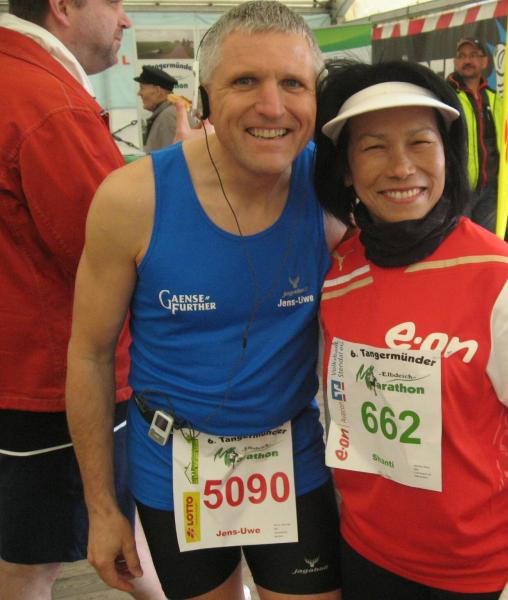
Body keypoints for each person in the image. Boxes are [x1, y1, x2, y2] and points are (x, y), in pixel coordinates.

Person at [65, 2, 345, 599]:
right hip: (173, 467)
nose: (273, 106)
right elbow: (89, 355)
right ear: (205, 97)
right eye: (245, 81)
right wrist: (102, 508)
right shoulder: (132, 200)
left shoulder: (333, 192)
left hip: (291, 457)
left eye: (293, 83)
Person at [314, 59, 508, 599]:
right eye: (374, 147)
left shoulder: (500, 278)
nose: (401, 167)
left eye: (420, 143)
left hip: (476, 575)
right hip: (365, 556)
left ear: (448, 156)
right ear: (346, 171)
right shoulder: (338, 274)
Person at [0, 2, 163, 599]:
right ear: (64, 6)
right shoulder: (46, 102)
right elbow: (107, 248)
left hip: (23, 362)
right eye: (113, 2)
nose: (125, 20)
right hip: (52, 377)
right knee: (37, 560)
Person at [447, 38, 502, 233]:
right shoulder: (446, 96)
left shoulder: (494, 98)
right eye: (462, 56)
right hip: (459, 189)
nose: (467, 61)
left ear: (484, 62)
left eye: (473, 55)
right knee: (459, 241)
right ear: (456, 62)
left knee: (487, 242)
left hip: (490, 189)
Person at [134, 65, 179, 153]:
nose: (139, 93)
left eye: (142, 88)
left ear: (158, 91)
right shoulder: (167, 114)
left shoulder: (168, 117)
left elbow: (172, 157)